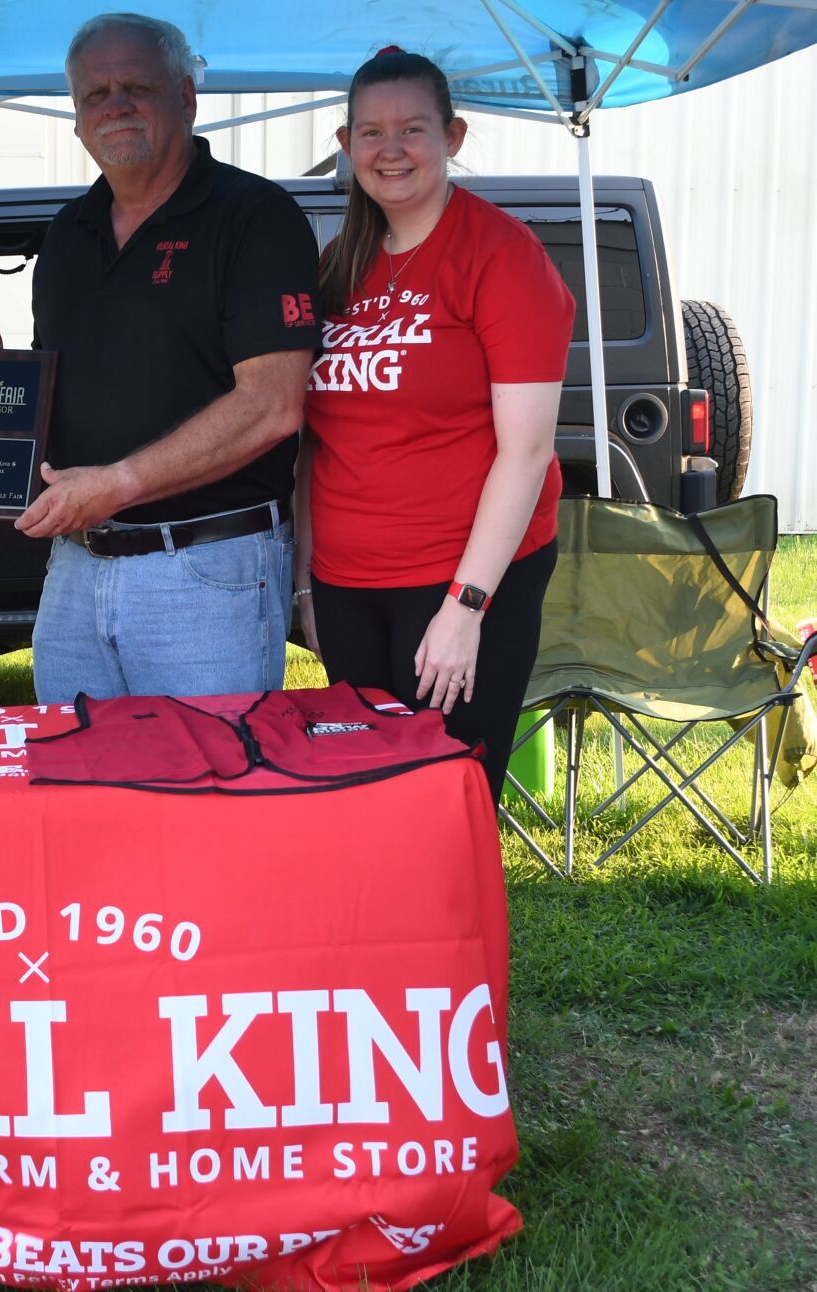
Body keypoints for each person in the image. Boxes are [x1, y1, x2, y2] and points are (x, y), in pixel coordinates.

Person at [0, 12, 320, 704]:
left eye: (136, 87)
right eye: (95, 94)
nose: (114, 106)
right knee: (80, 792)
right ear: (77, 119)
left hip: (207, 568)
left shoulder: (254, 217)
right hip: (76, 569)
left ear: (186, 96)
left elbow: (273, 406)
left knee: (210, 796)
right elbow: (76, 392)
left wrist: (120, 483)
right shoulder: (67, 234)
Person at [297, 47, 574, 805]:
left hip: (459, 578)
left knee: (445, 797)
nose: (391, 150)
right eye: (371, 132)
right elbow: (314, 441)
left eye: (413, 129)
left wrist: (466, 607)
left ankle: (457, 930)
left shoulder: (502, 256)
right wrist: (309, 588)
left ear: (452, 137)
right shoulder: (337, 265)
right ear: (346, 142)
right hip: (348, 582)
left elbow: (526, 453)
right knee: (369, 792)